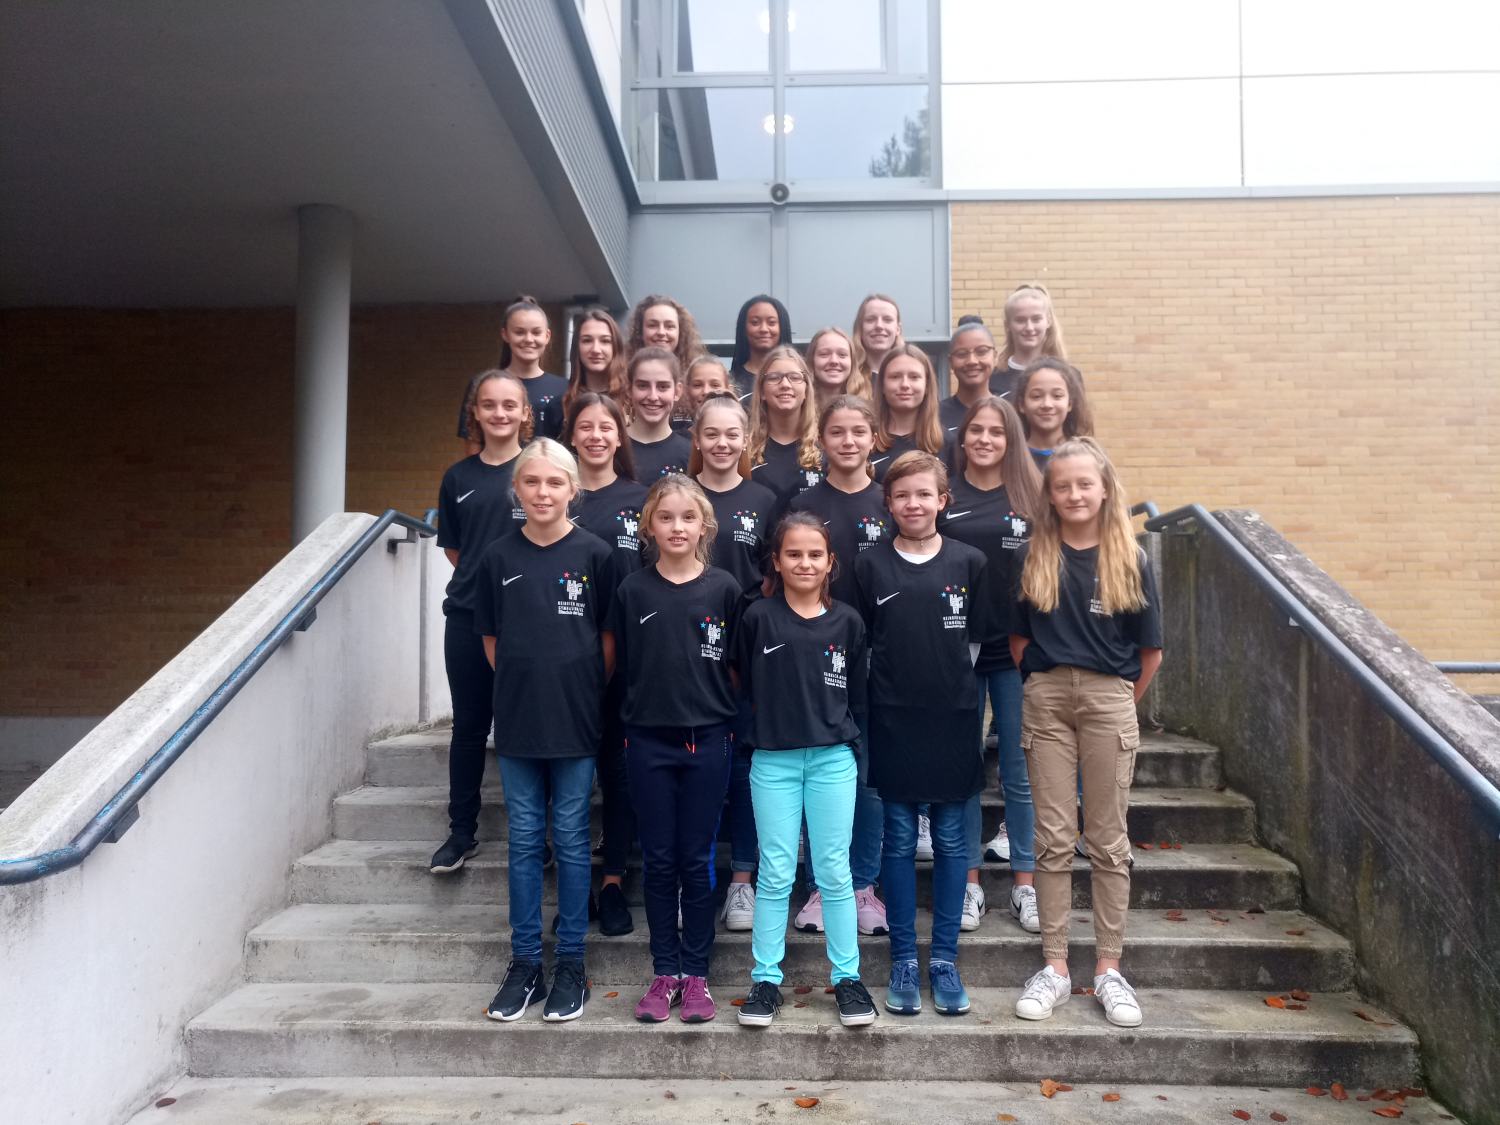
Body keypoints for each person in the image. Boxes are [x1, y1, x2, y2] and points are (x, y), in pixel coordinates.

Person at [1010, 437, 1163, 1030]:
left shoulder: (1130, 558)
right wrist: (1042, 685)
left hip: (1108, 699)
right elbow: (1019, 639)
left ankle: (1108, 969)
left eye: (1084, 484)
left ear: (1104, 490)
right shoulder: (1034, 555)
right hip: (1047, 698)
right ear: (1049, 495)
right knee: (1052, 838)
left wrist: (1117, 703)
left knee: (1107, 839)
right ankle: (1054, 965)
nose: (1074, 494)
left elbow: (1150, 651)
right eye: (1062, 486)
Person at [475, 438, 615, 1023]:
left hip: (575, 719)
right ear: (516, 490)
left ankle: (572, 965)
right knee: (526, 839)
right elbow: (492, 642)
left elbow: (607, 641)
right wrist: (523, 687)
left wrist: (578, 689)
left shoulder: (596, 555)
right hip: (518, 721)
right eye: (531, 482)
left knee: (573, 838)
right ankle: (526, 962)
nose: (542, 492)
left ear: (572, 490)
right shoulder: (497, 557)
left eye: (554, 482)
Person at [854, 451, 989, 1018]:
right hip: (892, 718)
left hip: (953, 717)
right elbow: (860, 642)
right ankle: (906, 959)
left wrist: (950, 691)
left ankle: (945, 961)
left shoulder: (970, 562)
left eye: (924, 494)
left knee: (953, 840)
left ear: (942, 500)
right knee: (900, 839)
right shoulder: (868, 565)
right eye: (902, 495)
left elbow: (975, 644)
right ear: (888, 503)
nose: (914, 504)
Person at [732, 512, 878, 1029]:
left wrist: (851, 749)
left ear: (831, 561)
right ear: (776, 560)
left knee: (834, 871)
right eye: (793, 553)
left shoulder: (848, 622)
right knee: (775, 872)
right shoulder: (757, 618)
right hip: (773, 760)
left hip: (832, 760)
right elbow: (742, 682)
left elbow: (857, 695)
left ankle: (847, 978)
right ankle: (765, 980)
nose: (804, 563)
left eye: (815, 554)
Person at [605, 475, 741, 1024]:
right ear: (649, 526)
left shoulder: (725, 589)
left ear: (704, 525)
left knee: (696, 858)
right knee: (659, 860)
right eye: (666, 518)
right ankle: (665, 972)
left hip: (708, 740)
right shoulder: (632, 591)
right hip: (647, 741)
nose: (677, 527)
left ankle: (698, 974)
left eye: (688, 517)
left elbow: (736, 668)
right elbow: (621, 664)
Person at [937, 397, 1044, 934]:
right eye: (975, 429)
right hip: (956, 651)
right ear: (962, 437)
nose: (983, 439)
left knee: (1020, 773)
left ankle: (1026, 884)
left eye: (995, 432)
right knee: (962, 771)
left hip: (1018, 651)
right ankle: (968, 884)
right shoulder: (946, 496)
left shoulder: (1032, 496)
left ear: (1011, 440)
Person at [787, 395, 891, 937]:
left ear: (874, 438)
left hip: (876, 656)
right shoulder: (803, 501)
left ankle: (862, 885)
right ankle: (818, 888)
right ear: (821, 440)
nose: (848, 441)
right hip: (812, 656)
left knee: (866, 777)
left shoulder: (888, 501)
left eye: (858, 431)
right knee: (814, 773)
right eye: (836, 432)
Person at [431, 370, 531, 877]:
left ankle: (532, 834)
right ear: (475, 412)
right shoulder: (458, 478)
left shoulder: (538, 470)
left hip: (530, 622)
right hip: (469, 617)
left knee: (525, 728)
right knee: (469, 727)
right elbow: (456, 550)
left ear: (525, 412)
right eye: (489, 404)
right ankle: (461, 832)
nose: (499, 413)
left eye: (509, 404)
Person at [689, 394, 778, 929]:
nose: (722, 443)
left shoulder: (764, 499)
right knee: (696, 768)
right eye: (712, 434)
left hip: (746, 651)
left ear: (746, 440)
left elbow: (771, 577)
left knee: (745, 768)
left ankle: (742, 880)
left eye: (732, 434)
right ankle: (692, 879)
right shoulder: (678, 494)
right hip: (685, 650)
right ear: (697, 440)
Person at [563, 393, 649, 937]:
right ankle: (575, 891)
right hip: (565, 663)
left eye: (606, 427)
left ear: (621, 437)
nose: (596, 436)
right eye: (585, 427)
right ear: (572, 435)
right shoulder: (556, 496)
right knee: (569, 781)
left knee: (618, 775)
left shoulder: (641, 499)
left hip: (630, 659)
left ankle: (614, 882)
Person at [747, 345, 824, 507]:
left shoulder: (825, 446)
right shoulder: (744, 448)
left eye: (795, 377)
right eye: (774, 377)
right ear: (762, 391)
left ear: (806, 390)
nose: (785, 384)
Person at [871, 344, 944, 483]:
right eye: (895, 377)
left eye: (914, 377)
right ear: (882, 386)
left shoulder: (947, 443)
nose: (905, 384)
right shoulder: (864, 440)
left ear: (927, 385)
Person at [626, 347, 693, 481]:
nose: (653, 396)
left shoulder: (691, 455)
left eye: (662, 387)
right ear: (629, 390)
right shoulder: (612, 448)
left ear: (677, 392)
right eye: (643, 386)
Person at [1015, 357, 1094, 469]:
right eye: (1036, 396)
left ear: (1070, 403)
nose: (1047, 404)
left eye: (1057, 396)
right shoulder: (1010, 456)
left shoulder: (1087, 457)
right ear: (1021, 405)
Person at [996, 284, 1068, 397]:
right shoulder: (992, 378)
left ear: (1048, 321)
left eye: (1036, 319)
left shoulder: (1068, 375)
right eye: (1020, 320)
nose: (1029, 328)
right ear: (1008, 325)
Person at [940, 317, 1001, 441]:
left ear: (995, 357)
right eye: (962, 354)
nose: (972, 361)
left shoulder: (1009, 413)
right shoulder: (934, 416)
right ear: (950, 362)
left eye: (981, 351)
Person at [562, 307, 628, 420]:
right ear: (577, 347)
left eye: (605, 341)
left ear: (616, 347)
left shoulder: (631, 399)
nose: (596, 349)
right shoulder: (562, 402)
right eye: (587, 340)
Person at [728, 294, 793, 400]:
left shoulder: (798, 380)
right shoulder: (730, 383)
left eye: (771, 323)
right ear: (743, 328)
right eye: (755, 322)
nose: (763, 329)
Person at [625, 294, 704, 376]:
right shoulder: (623, 374)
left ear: (680, 332)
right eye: (652, 325)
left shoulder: (697, 375)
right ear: (640, 330)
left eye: (669, 326)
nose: (661, 332)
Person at [805, 326, 869, 410]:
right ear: (812, 360)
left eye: (842, 355)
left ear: (852, 362)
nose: (834, 361)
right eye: (824, 354)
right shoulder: (798, 407)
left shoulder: (869, 405)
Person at [850, 294, 902, 393]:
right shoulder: (846, 377)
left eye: (887, 320)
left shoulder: (911, 376)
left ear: (898, 329)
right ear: (860, 328)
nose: (879, 326)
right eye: (870, 320)